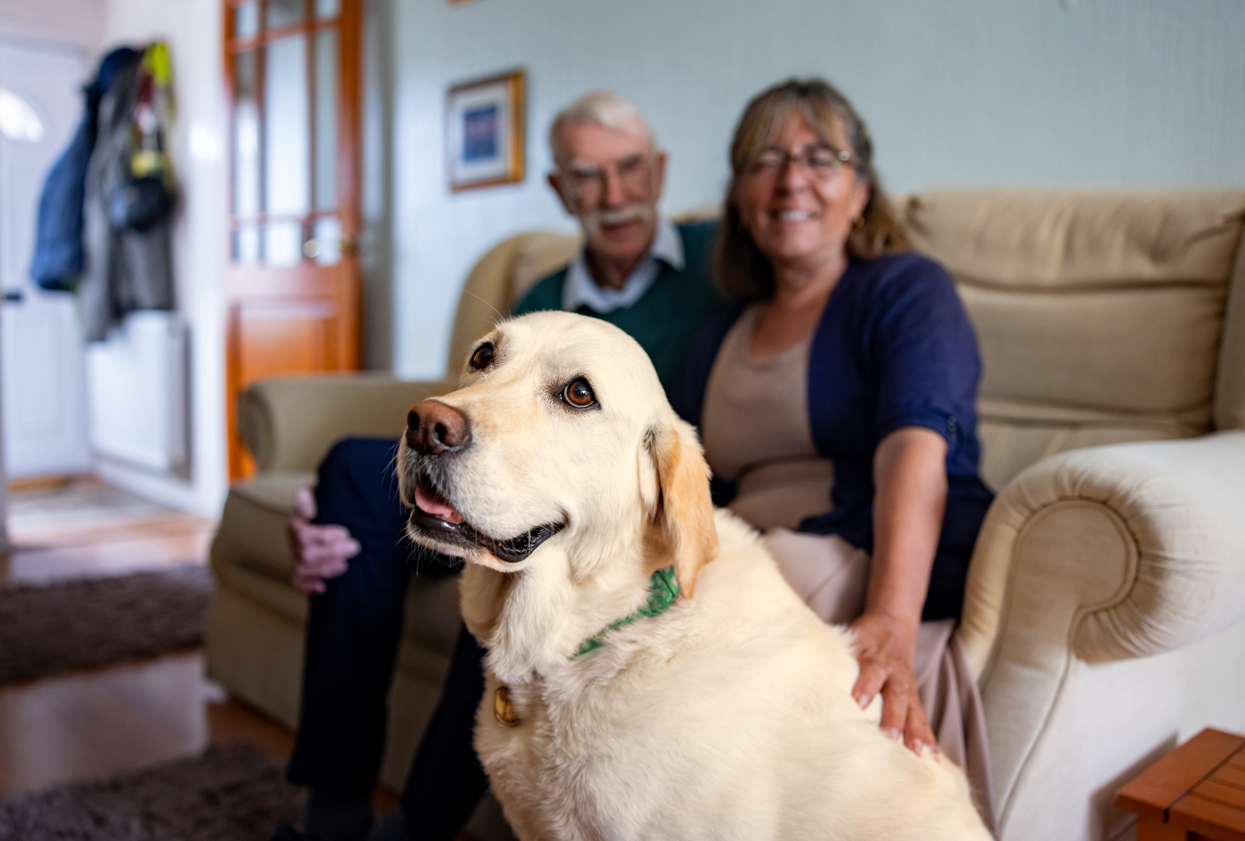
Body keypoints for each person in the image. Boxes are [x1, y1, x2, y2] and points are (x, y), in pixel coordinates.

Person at [278, 91, 725, 841]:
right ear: (558, 189)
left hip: (619, 504)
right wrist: (327, 515)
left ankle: (417, 825)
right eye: (586, 176)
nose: (613, 195)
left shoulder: (719, 271)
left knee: (520, 566)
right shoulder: (541, 296)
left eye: (629, 169)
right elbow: (484, 404)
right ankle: (335, 803)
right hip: (504, 468)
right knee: (350, 473)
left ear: (659, 172)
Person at [672, 78, 996, 825]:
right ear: (740, 198)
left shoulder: (904, 290)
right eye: (765, 160)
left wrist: (890, 616)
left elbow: (915, 450)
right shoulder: (714, 334)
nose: (792, 179)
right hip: (742, 546)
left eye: (821, 157)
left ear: (860, 189)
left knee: (752, 586)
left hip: (854, 545)